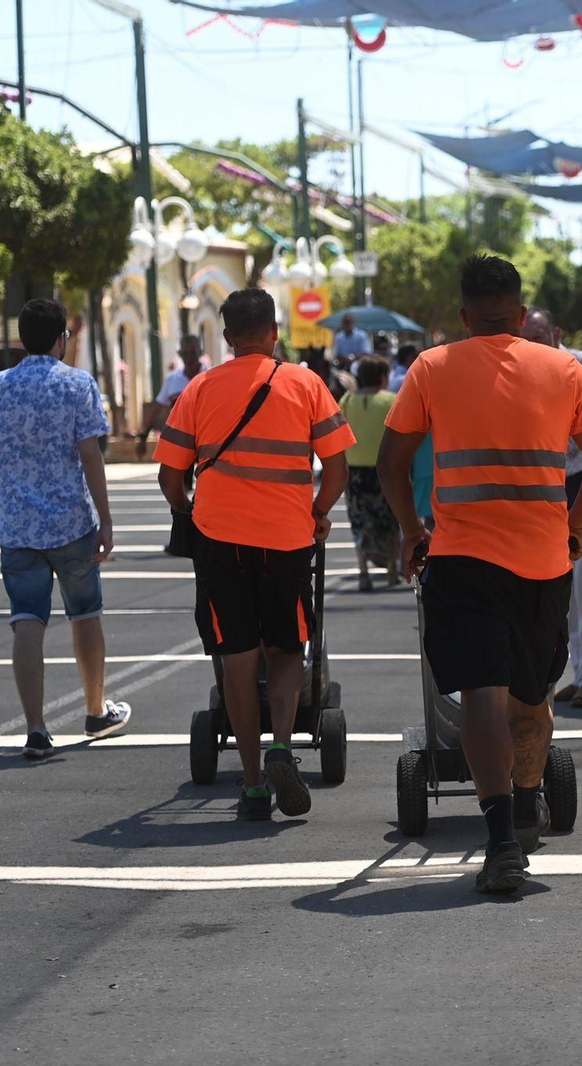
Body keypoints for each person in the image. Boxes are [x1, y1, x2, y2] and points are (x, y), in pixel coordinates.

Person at [377, 254, 582, 894]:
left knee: (482, 698)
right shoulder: (564, 368)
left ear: (463, 316)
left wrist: (411, 531)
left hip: (461, 559)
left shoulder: (431, 367)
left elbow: (390, 462)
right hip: (542, 562)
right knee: (532, 697)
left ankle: (501, 842)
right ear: (521, 314)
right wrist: (574, 522)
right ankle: (523, 801)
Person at [156, 288, 354, 820]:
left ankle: (252, 786)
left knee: (237, 660)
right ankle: (281, 748)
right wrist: (318, 512)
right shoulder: (306, 383)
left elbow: (169, 476)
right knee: (286, 649)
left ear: (226, 338)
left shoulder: (198, 388)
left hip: (219, 540)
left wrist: (189, 512)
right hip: (287, 538)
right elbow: (337, 470)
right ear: (274, 332)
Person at [0, 298, 131, 759]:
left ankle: (36, 728)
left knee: (27, 620)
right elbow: (90, 455)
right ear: (61, 338)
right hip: (71, 523)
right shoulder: (78, 384)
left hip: (17, 526)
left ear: (23, 339)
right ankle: (96, 710)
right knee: (85, 613)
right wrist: (105, 518)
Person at [511, 308, 582, 709]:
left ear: (556, 333)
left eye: (539, 336)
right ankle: (579, 673)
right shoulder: (520, 371)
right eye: (526, 337)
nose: (532, 344)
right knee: (562, 595)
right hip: (545, 492)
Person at [338, 354, 398, 591]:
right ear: (383, 376)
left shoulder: (347, 400)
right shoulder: (391, 400)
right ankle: (392, 568)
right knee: (391, 519)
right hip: (386, 468)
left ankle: (363, 571)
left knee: (359, 519)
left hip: (354, 470)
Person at [136, 335, 204, 456]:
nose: (189, 358)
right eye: (185, 354)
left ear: (200, 352)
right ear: (180, 354)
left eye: (192, 353)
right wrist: (143, 436)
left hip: (206, 439)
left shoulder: (211, 377)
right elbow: (158, 408)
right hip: (180, 440)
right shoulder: (172, 380)